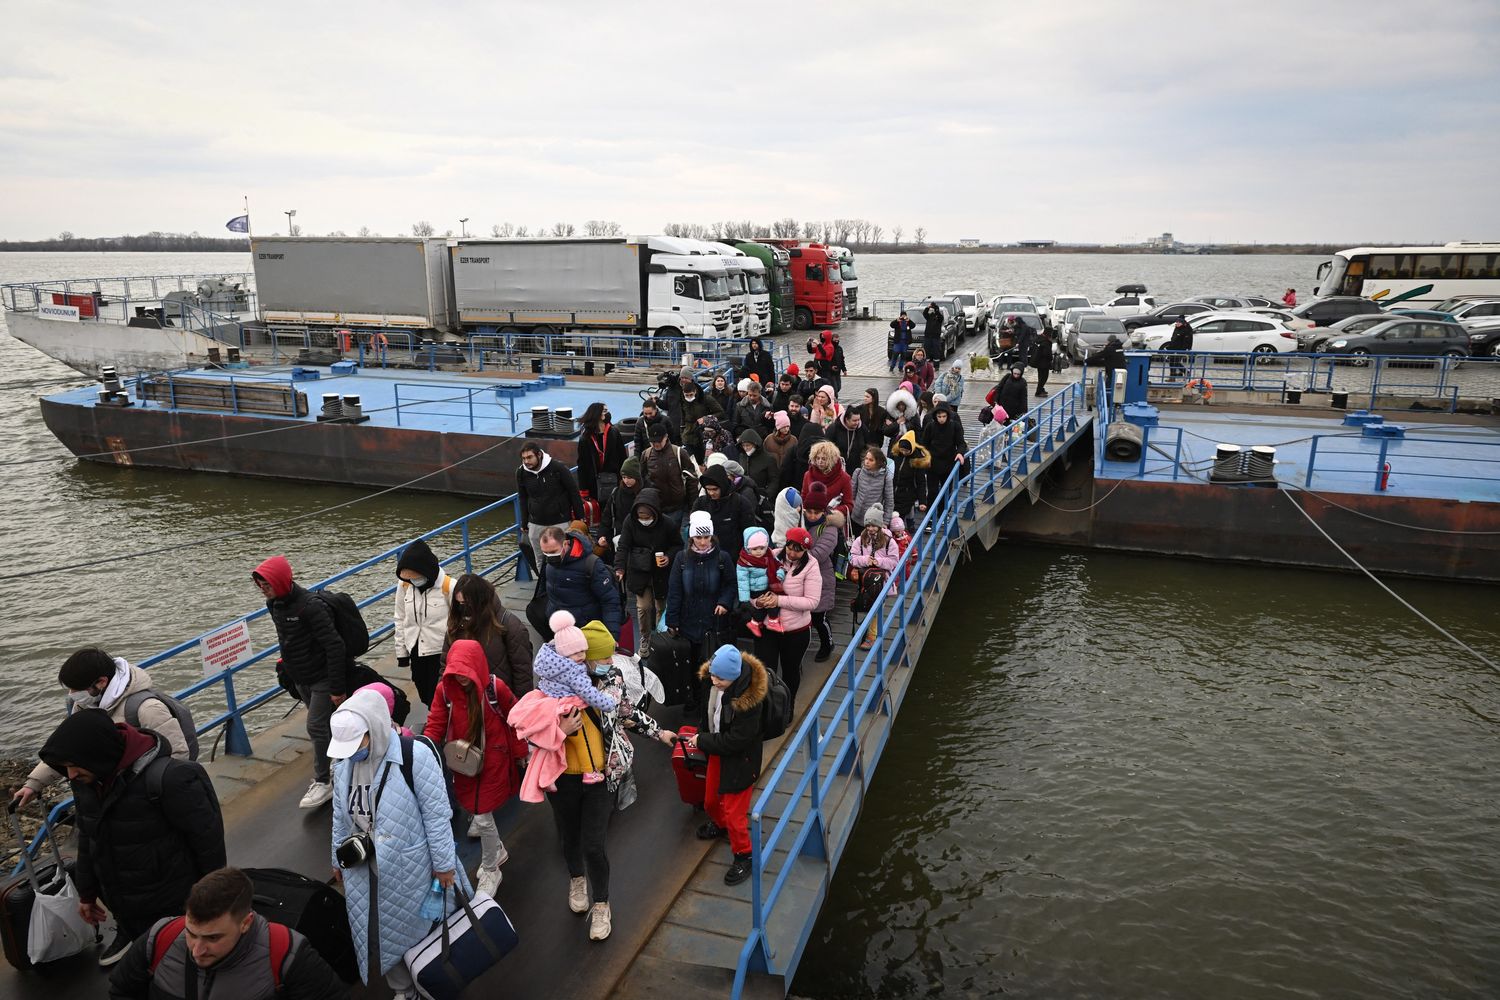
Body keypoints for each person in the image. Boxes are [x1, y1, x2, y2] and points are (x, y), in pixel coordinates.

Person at [511, 622, 673, 942]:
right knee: (569, 837)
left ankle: (601, 903)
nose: (611, 661)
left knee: (594, 845)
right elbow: (530, 734)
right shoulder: (550, 690)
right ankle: (576, 879)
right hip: (563, 778)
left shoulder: (611, 681)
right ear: (583, 658)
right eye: (605, 656)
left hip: (601, 776)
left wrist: (659, 732)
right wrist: (562, 730)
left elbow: (627, 713)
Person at [38, 709, 226, 966]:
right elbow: (88, 838)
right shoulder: (86, 781)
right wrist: (87, 893)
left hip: (173, 903)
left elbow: (208, 842)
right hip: (122, 901)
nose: (70, 775)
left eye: (74, 765)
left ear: (99, 754)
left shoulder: (170, 778)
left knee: (185, 968)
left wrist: (212, 904)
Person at [327, 690, 466, 995]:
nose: (352, 753)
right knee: (380, 934)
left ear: (374, 728)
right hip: (366, 871)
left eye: (357, 743)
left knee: (421, 932)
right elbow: (340, 815)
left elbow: (437, 815)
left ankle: (431, 985)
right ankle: (404, 988)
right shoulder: (342, 767)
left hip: (412, 869)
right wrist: (337, 858)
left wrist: (444, 865)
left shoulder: (414, 755)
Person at [107, 867, 347, 1000]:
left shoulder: (288, 954)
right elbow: (121, 992)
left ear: (246, 923)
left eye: (213, 938)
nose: (197, 950)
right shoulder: (160, 937)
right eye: (191, 933)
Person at [13, 647, 193, 810]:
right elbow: (69, 750)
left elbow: (178, 755)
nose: (72, 695)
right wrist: (33, 784)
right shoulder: (83, 707)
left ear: (101, 682)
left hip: (144, 798)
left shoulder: (147, 708)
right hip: (110, 795)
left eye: (77, 689)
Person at [422, 639, 526, 896]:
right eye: (456, 672)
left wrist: (521, 752)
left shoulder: (494, 688)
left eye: (466, 672)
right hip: (465, 763)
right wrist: (423, 752)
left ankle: (492, 868)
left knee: (482, 813)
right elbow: (435, 723)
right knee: (475, 807)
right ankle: (497, 850)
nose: (462, 678)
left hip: (493, 759)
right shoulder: (445, 691)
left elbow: (515, 718)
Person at [253, 555, 346, 810]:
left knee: (316, 726)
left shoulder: (310, 607)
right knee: (326, 725)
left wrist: (337, 688)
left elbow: (334, 645)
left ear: (281, 581)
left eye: (267, 584)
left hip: (323, 678)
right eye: (259, 585)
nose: (263, 589)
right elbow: (288, 639)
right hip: (301, 678)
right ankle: (341, 761)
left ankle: (323, 780)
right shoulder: (274, 605)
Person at [688, 644, 769, 886]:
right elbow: (709, 714)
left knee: (735, 814)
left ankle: (744, 853)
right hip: (718, 751)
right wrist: (705, 734)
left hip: (741, 761)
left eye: (720, 677)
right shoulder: (714, 684)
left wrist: (703, 740)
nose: (714, 680)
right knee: (711, 801)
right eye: (712, 674)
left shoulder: (749, 702)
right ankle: (721, 825)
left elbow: (737, 740)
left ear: (734, 677)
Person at [666, 511, 737, 693]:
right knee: (690, 665)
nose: (703, 542)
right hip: (688, 621)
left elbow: (730, 585)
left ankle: (708, 699)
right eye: (698, 537)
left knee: (712, 665)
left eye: (706, 537)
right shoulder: (681, 559)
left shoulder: (723, 558)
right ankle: (694, 698)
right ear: (691, 537)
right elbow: (675, 590)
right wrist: (672, 620)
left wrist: (724, 602)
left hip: (713, 622)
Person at [753, 527, 820, 700]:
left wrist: (779, 601)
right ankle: (766, 710)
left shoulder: (812, 566)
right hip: (768, 628)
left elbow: (812, 601)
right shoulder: (770, 556)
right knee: (765, 672)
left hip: (796, 632)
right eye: (790, 548)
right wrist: (758, 602)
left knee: (791, 672)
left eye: (798, 551)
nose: (791, 554)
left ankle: (786, 708)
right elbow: (752, 586)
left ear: (805, 551)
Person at [613, 487, 679, 657]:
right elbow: (623, 546)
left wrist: (668, 557)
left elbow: (678, 545)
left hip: (661, 574)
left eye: (647, 518)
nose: (644, 520)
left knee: (660, 608)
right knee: (643, 607)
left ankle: (660, 639)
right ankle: (645, 637)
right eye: (641, 517)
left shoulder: (668, 523)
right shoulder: (630, 521)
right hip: (639, 571)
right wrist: (619, 567)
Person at [445, 572, 533, 695]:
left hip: (500, 699)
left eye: (466, 604)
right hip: (466, 699)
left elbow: (522, 671)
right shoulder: (456, 623)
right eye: (459, 603)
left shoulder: (510, 626)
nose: (462, 608)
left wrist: (520, 706)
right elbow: (445, 663)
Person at [392, 538, 454, 707]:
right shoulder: (404, 585)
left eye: (415, 578)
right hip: (416, 649)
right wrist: (402, 653)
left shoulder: (449, 587)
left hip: (440, 651)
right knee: (424, 693)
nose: (412, 581)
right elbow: (400, 617)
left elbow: (459, 622)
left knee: (440, 694)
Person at [532, 526, 623, 639]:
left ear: (565, 544)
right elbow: (543, 588)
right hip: (558, 628)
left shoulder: (591, 564)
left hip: (585, 630)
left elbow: (610, 601)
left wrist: (612, 636)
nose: (549, 556)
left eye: (553, 552)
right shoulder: (548, 562)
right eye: (545, 553)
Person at [517, 440, 584, 561]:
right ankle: (542, 580)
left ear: (539, 455)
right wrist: (524, 521)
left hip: (560, 521)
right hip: (536, 523)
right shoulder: (521, 473)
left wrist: (579, 518)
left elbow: (573, 491)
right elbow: (523, 497)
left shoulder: (558, 468)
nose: (527, 461)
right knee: (540, 559)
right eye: (524, 458)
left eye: (529, 457)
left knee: (564, 556)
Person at [800, 483, 843, 663]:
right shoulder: (800, 522)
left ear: (823, 512)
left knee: (819, 617)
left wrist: (795, 554)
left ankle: (828, 643)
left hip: (822, 578)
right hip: (801, 577)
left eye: (816, 512)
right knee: (803, 615)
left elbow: (819, 554)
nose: (811, 515)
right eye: (808, 511)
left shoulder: (830, 529)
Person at [848, 512, 900, 650]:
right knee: (866, 604)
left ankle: (871, 636)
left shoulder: (889, 541)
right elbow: (852, 558)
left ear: (879, 525)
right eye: (868, 525)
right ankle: (869, 631)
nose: (870, 528)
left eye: (873, 525)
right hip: (865, 581)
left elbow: (894, 561)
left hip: (882, 581)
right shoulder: (860, 540)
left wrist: (878, 562)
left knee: (877, 608)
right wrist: (865, 560)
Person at [694, 464, 757, 560]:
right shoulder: (701, 503)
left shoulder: (740, 502)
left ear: (722, 486)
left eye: (715, 489)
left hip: (735, 557)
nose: (711, 493)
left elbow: (749, 532)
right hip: (707, 557)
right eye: (708, 489)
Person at [642, 421, 698, 525]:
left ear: (666, 437)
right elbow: (642, 480)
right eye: (652, 442)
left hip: (679, 508)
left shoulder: (679, 453)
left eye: (658, 441)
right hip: (656, 508)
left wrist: (693, 507)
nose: (656, 444)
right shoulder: (646, 455)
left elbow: (692, 480)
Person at [577, 402, 627, 511]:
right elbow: (582, 466)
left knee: (616, 509)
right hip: (594, 483)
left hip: (614, 480)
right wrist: (583, 490)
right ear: (596, 414)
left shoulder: (613, 432)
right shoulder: (585, 438)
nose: (607, 412)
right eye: (604, 410)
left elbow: (623, 457)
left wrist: (624, 478)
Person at [920, 403, 967, 508]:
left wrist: (960, 453)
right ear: (935, 416)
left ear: (948, 416)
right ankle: (931, 515)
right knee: (932, 491)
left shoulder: (955, 426)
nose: (941, 419)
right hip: (932, 464)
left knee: (947, 490)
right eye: (939, 416)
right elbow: (924, 444)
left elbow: (961, 443)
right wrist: (926, 457)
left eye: (944, 416)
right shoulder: (930, 426)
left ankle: (944, 512)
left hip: (948, 463)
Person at [736, 527, 782, 637]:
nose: (759, 552)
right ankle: (770, 621)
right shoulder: (744, 562)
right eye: (755, 549)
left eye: (762, 548)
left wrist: (780, 573)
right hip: (754, 590)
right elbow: (742, 582)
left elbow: (778, 564)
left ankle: (759, 623)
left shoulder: (769, 555)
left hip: (767, 586)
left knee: (772, 603)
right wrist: (745, 600)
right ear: (748, 548)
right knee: (763, 607)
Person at [598, 455, 642, 558]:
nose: (626, 481)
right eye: (624, 477)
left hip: (640, 539)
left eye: (629, 477)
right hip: (619, 538)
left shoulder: (645, 492)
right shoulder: (616, 493)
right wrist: (602, 535)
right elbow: (607, 517)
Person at [889, 431, 931, 524]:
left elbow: (921, 482)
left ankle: (906, 527)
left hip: (907, 494)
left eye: (906, 451)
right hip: (893, 490)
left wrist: (922, 501)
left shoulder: (917, 460)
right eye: (902, 450)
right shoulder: (895, 455)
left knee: (899, 518)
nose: (903, 452)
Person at [849, 445, 894, 533]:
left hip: (873, 521)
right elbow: (851, 494)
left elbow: (889, 501)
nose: (867, 462)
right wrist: (852, 509)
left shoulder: (885, 477)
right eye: (866, 458)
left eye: (871, 460)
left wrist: (885, 522)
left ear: (878, 462)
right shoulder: (858, 472)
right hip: (855, 517)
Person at [802, 440, 853, 517]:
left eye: (824, 459)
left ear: (832, 460)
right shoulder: (808, 475)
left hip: (832, 521)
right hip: (810, 519)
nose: (820, 461)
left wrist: (831, 512)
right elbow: (804, 497)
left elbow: (849, 505)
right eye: (817, 458)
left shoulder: (844, 478)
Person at [678, 376, 723, 462]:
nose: (689, 397)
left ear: (695, 391)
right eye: (686, 395)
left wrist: (705, 419)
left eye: (691, 395)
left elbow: (720, 413)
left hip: (704, 435)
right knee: (691, 462)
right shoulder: (683, 400)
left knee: (703, 461)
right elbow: (683, 417)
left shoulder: (706, 399)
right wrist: (682, 433)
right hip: (688, 436)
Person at [737, 427, 780, 499]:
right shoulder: (742, 456)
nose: (745, 448)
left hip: (761, 496)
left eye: (748, 445)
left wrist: (767, 495)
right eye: (743, 445)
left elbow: (774, 481)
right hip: (744, 496)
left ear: (755, 444)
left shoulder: (768, 459)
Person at [825, 404, 866, 474]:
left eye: (858, 420)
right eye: (854, 420)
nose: (857, 423)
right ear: (847, 419)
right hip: (837, 467)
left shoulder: (861, 428)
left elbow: (868, 445)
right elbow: (827, 448)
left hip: (856, 468)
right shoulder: (834, 428)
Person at [1090, 334, 1127, 403]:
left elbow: (1101, 355)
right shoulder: (1119, 347)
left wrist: (1088, 360)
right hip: (1121, 370)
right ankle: (1115, 402)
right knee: (1118, 389)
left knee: (1109, 387)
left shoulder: (1110, 348)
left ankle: (1108, 402)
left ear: (1110, 341)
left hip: (1112, 371)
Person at [1032, 328, 1054, 397]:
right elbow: (1047, 353)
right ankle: (1038, 392)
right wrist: (1051, 358)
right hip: (1044, 363)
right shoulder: (1046, 342)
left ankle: (1041, 389)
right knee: (1044, 377)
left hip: (1038, 362)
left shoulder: (1039, 339)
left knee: (1040, 377)